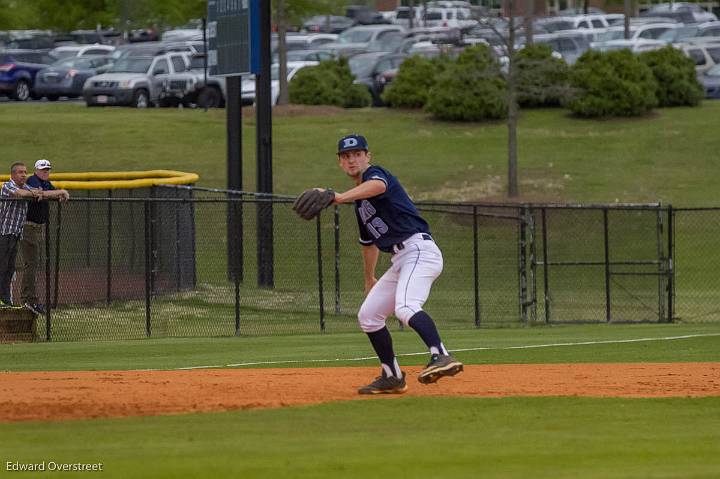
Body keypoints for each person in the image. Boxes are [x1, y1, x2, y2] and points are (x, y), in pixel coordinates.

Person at [329, 134, 463, 394]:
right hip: (401, 259)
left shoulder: (376, 175)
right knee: (368, 316)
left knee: (406, 306)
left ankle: (441, 355)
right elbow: (367, 242)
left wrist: (339, 197)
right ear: (340, 162)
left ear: (368, 156)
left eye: (357, 154)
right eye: (346, 156)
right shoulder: (360, 203)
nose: (352, 159)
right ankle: (392, 375)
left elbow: (377, 187)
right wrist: (369, 278)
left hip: (418, 250)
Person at [17, 159, 70, 315]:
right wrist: (60, 192)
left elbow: (49, 193)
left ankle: (29, 299)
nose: (46, 172)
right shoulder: (32, 180)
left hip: (38, 228)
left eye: (47, 169)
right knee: (31, 264)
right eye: (43, 169)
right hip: (29, 227)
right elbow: (41, 194)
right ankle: (28, 300)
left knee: (33, 264)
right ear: (36, 170)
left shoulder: (46, 183)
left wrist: (59, 195)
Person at [0, 163, 41, 308]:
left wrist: (61, 192)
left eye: (25, 172)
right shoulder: (7, 186)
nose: (24, 175)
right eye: (20, 172)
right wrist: (35, 193)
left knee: (10, 268)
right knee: (2, 266)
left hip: (15, 234)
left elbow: (38, 192)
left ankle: (5, 299)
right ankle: (2, 298)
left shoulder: (25, 187)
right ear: (12, 174)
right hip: (3, 233)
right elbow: (20, 194)